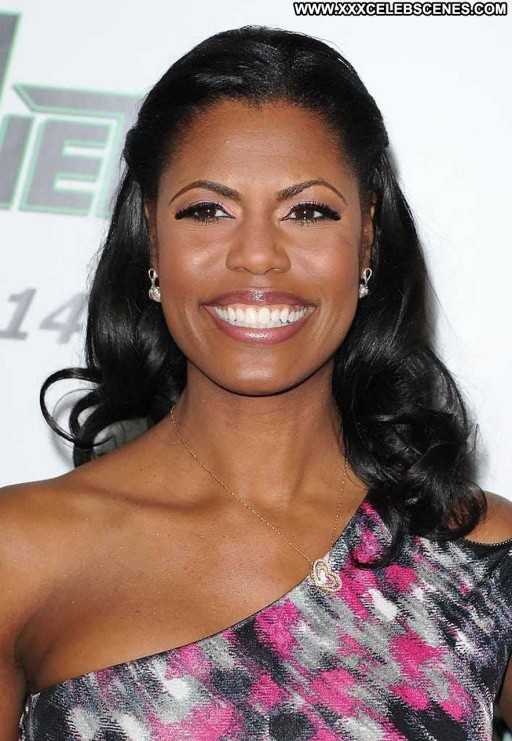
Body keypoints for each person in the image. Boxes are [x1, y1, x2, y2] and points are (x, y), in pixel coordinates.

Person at [1, 24, 510, 741]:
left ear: (367, 236)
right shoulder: (19, 552)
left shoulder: (476, 554)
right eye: (208, 210)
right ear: (152, 238)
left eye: (308, 211)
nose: (259, 256)